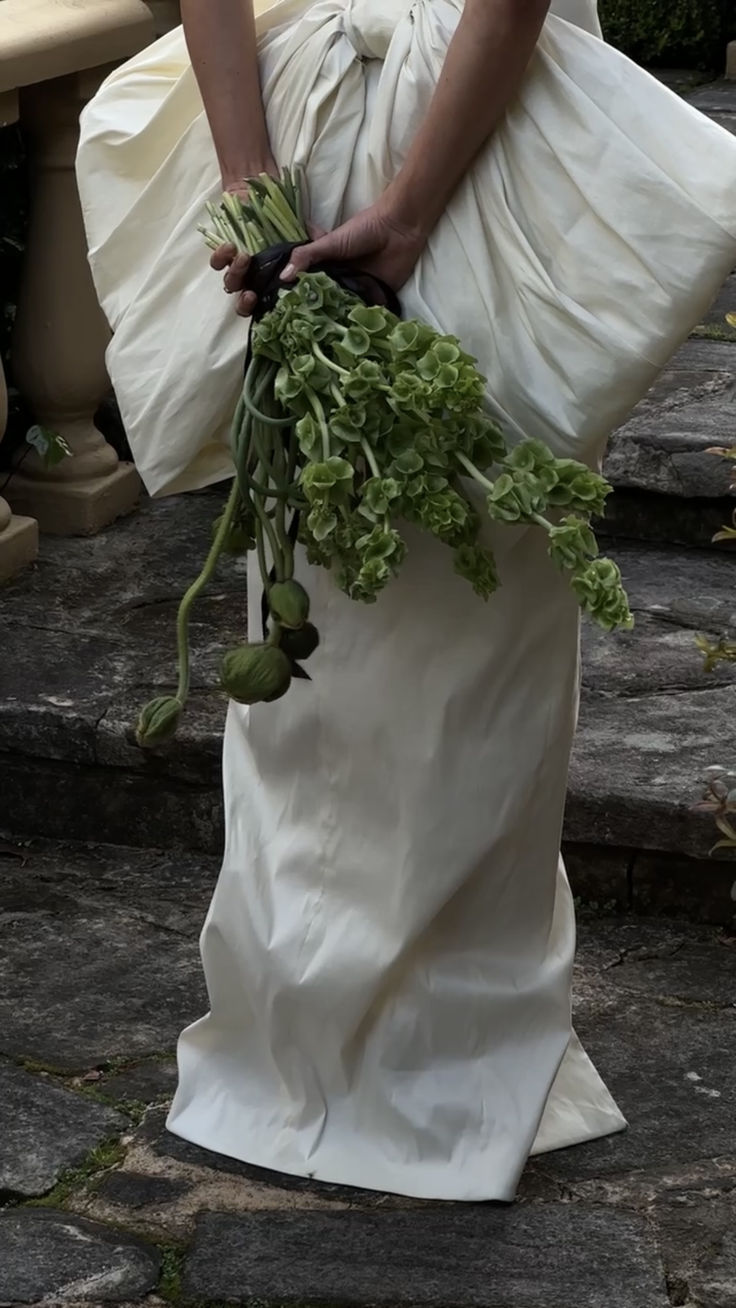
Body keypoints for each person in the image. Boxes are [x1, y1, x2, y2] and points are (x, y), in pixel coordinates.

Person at [76, 0, 736, 1201]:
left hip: (320, 128)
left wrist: (251, 183)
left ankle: (319, 1046)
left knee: (342, 615)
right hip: (442, 134)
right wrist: (389, 205)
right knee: (450, 630)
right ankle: (437, 1058)